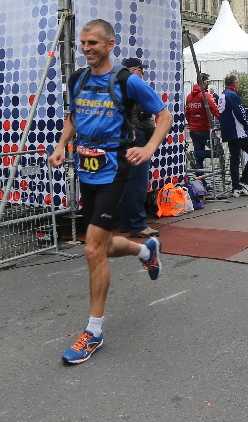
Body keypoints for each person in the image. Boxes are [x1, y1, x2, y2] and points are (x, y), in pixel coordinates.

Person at [47, 19, 171, 365]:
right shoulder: (78, 79)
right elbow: (74, 117)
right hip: (86, 168)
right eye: (83, 42)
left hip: (115, 170)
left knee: (91, 249)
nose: (86, 48)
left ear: (110, 44)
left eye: (93, 43)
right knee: (98, 244)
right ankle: (145, 250)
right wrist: (61, 145)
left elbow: (164, 116)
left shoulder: (127, 80)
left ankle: (94, 331)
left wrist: (148, 148)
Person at [115, 57, 159, 239]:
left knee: (127, 181)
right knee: (138, 181)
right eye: (141, 69)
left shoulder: (117, 86)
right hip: (138, 135)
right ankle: (138, 224)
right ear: (133, 70)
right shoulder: (133, 85)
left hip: (126, 136)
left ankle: (126, 222)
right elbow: (149, 110)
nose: (143, 73)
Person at [218, 74, 248, 196]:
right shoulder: (232, 95)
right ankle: (244, 182)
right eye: (238, 83)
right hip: (238, 131)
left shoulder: (222, 95)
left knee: (235, 159)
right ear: (234, 83)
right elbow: (240, 113)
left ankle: (236, 187)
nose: (238, 85)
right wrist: (247, 126)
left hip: (229, 131)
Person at [184, 73, 220, 171]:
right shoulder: (206, 95)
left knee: (199, 160)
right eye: (208, 82)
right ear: (205, 82)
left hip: (193, 130)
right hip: (204, 130)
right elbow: (215, 110)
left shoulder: (189, 96)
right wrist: (224, 121)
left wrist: (191, 124)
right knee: (219, 151)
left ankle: (200, 179)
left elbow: (187, 113)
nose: (209, 84)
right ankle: (194, 154)